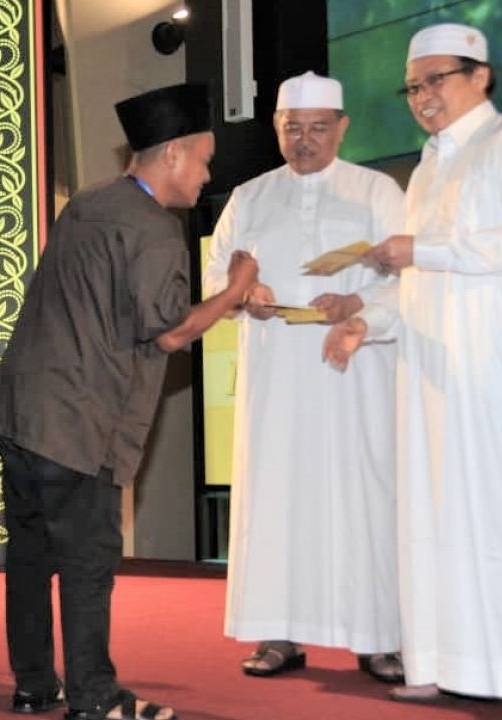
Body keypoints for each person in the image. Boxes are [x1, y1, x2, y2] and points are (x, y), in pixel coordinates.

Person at [322, 24, 502, 720]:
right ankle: (444, 663)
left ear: (481, 76)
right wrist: (368, 323)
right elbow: (418, 281)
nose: (423, 96)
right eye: (412, 87)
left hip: (500, 379)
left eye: (436, 80)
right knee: (434, 526)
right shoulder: (426, 168)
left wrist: (422, 248)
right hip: (433, 381)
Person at [0, 83, 260, 720]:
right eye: (203, 160)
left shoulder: (88, 201)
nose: (206, 175)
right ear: (172, 154)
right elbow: (170, 331)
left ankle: (34, 686)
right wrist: (235, 289)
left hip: (21, 410)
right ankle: (94, 697)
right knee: (87, 564)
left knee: (30, 557)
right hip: (78, 423)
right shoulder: (154, 229)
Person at [203, 72, 406, 682]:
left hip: (357, 375)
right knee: (277, 496)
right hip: (277, 379)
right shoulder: (250, 197)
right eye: (293, 128)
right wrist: (247, 293)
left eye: (319, 128)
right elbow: (216, 275)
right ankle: (279, 633)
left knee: (364, 497)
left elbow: (409, 282)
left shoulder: (377, 192)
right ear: (276, 128)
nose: (305, 140)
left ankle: (379, 637)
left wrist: (358, 307)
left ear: (342, 128)